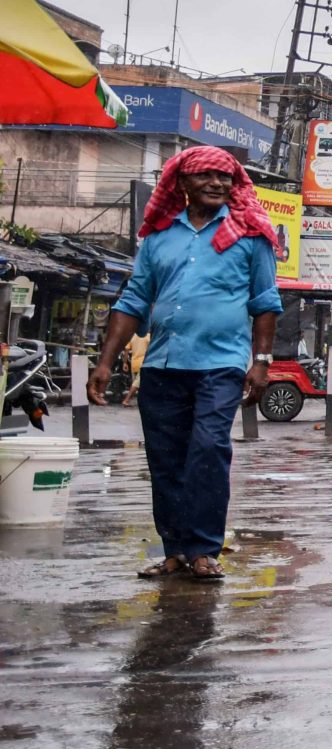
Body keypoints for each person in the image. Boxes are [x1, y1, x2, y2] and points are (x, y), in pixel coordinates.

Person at [89, 146, 284, 583]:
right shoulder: (158, 237)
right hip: (162, 364)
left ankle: (204, 550)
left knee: (209, 449)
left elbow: (266, 302)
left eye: (225, 177)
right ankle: (175, 551)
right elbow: (134, 301)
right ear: (181, 185)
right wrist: (105, 362)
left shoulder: (251, 236)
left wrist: (262, 362)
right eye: (206, 176)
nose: (217, 184)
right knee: (166, 459)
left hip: (221, 364)